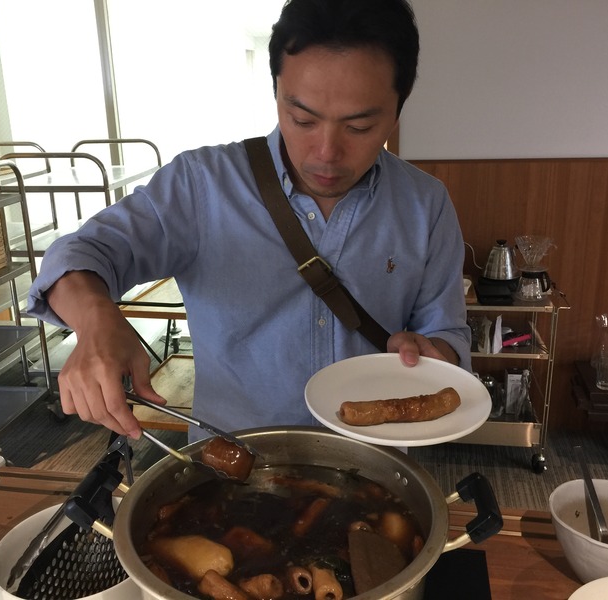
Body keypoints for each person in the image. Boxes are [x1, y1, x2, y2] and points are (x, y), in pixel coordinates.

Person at [26, 0, 471, 442]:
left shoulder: (425, 204)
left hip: (375, 464)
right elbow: (82, 252)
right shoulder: (202, 185)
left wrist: (432, 354)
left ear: (397, 110)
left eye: (359, 128)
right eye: (302, 119)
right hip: (235, 464)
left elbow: (446, 332)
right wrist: (96, 319)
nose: (326, 154)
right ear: (276, 91)